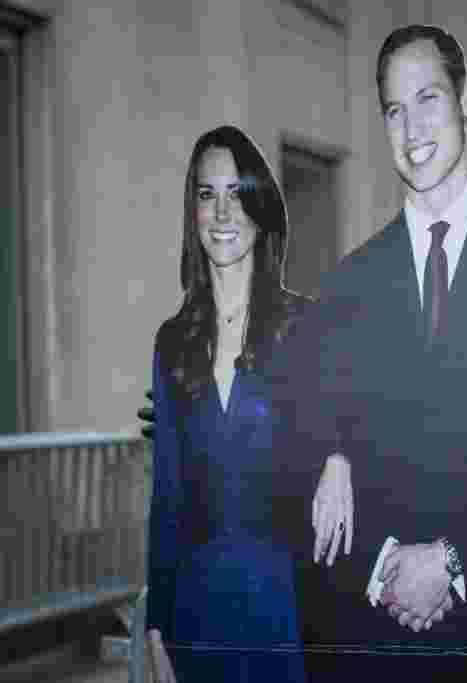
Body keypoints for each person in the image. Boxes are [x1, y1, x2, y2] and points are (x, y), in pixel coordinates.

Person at [281, 23, 467, 680]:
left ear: (466, 99)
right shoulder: (348, 285)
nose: (411, 126)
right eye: (394, 108)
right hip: (379, 637)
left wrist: (453, 560)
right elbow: (304, 447)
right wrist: (382, 554)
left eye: (428, 99)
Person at [145, 125, 314, 682]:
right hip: (196, 617)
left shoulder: (305, 328)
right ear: (192, 212)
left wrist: (338, 459)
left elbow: (356, 428)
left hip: (286, 612)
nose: (221, 212)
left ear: (259, 207)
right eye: (206, 194)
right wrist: (155, 630)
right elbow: (166, 497)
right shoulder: (172, 342)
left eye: (236, 193)